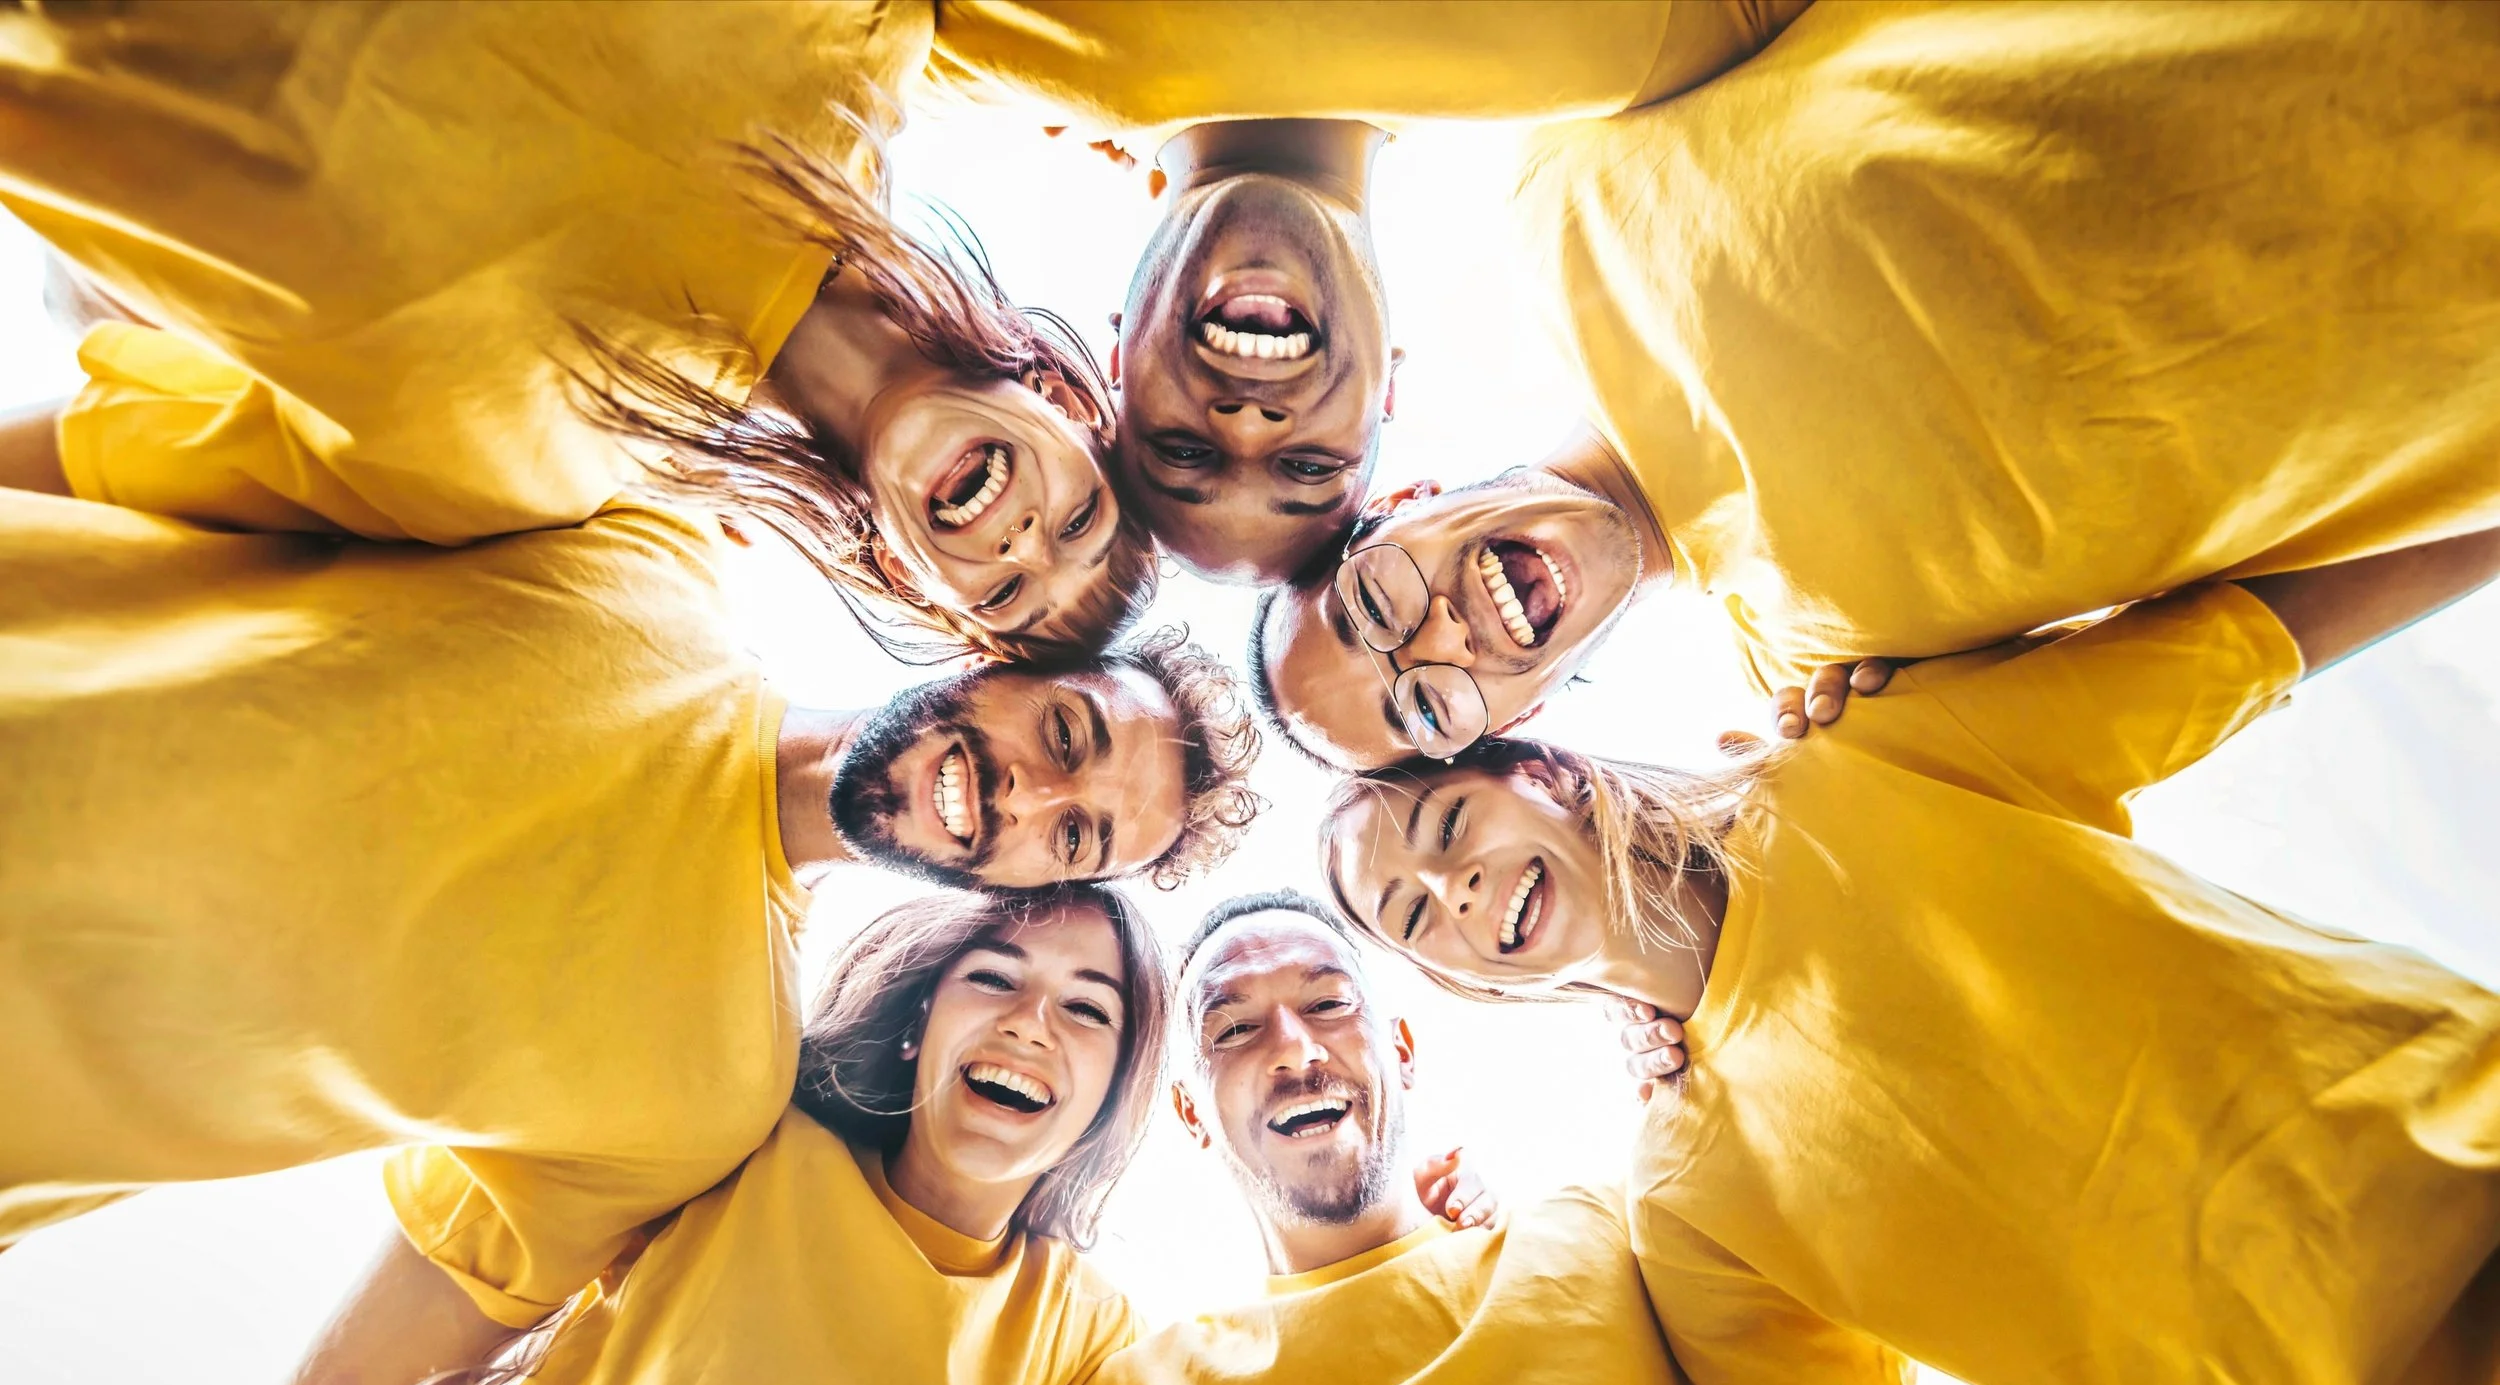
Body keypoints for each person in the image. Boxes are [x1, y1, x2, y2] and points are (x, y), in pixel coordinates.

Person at [1318, 531, 2500, 1385]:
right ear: (1458, 979)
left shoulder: (1864, 759)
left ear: (1548, 773)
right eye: (1414, 916)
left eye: (1449, 821)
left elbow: (2248, 642)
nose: (1452, 887)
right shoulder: (1689, 1206)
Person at [0, 483, 1260, 1333]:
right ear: (998, 651)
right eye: (1063, 731)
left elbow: (390, 1379)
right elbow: (156, 454)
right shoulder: (634, 545)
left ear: (1030, 892)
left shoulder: (704, 1096)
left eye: (1075, 834)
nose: (1027, 791)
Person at [251, 890, 1497, 1385]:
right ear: (924, 1017)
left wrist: (1444, 1254)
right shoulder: (738, 1149)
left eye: (1086, 1010)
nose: (1028, 1025)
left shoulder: (1072, 1336)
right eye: (995, 981)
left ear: (1118, 1098)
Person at [1250, 0, 2500, 766]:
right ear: (1503, 727)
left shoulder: (1562, 187)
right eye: (1421, 708)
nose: (1439, 638)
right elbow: (2253, 640)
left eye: (1374, 604)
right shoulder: (1835, 687)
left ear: (1398, 497)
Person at [0, 1, 1155, 657]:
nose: (1020, 545)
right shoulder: (854, 36)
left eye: (1004, 595)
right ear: (1066, 401)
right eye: (1081, 518)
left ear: (909, 578)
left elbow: (92, 450)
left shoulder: (495, 481)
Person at [945, 891, 1919, 1385]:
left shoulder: (1607, 1239)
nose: (1293, 1046)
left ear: (1400, 1051)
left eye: (1328, 1002)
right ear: (1192, 1115)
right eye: (1233, 1029)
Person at [926, 0, 1808, 586]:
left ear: (1115, 357)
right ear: (1388, 387)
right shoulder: (1623, 45)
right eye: (1308, 467)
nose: (1245, 423)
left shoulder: (972, 42)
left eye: (1183, 452)